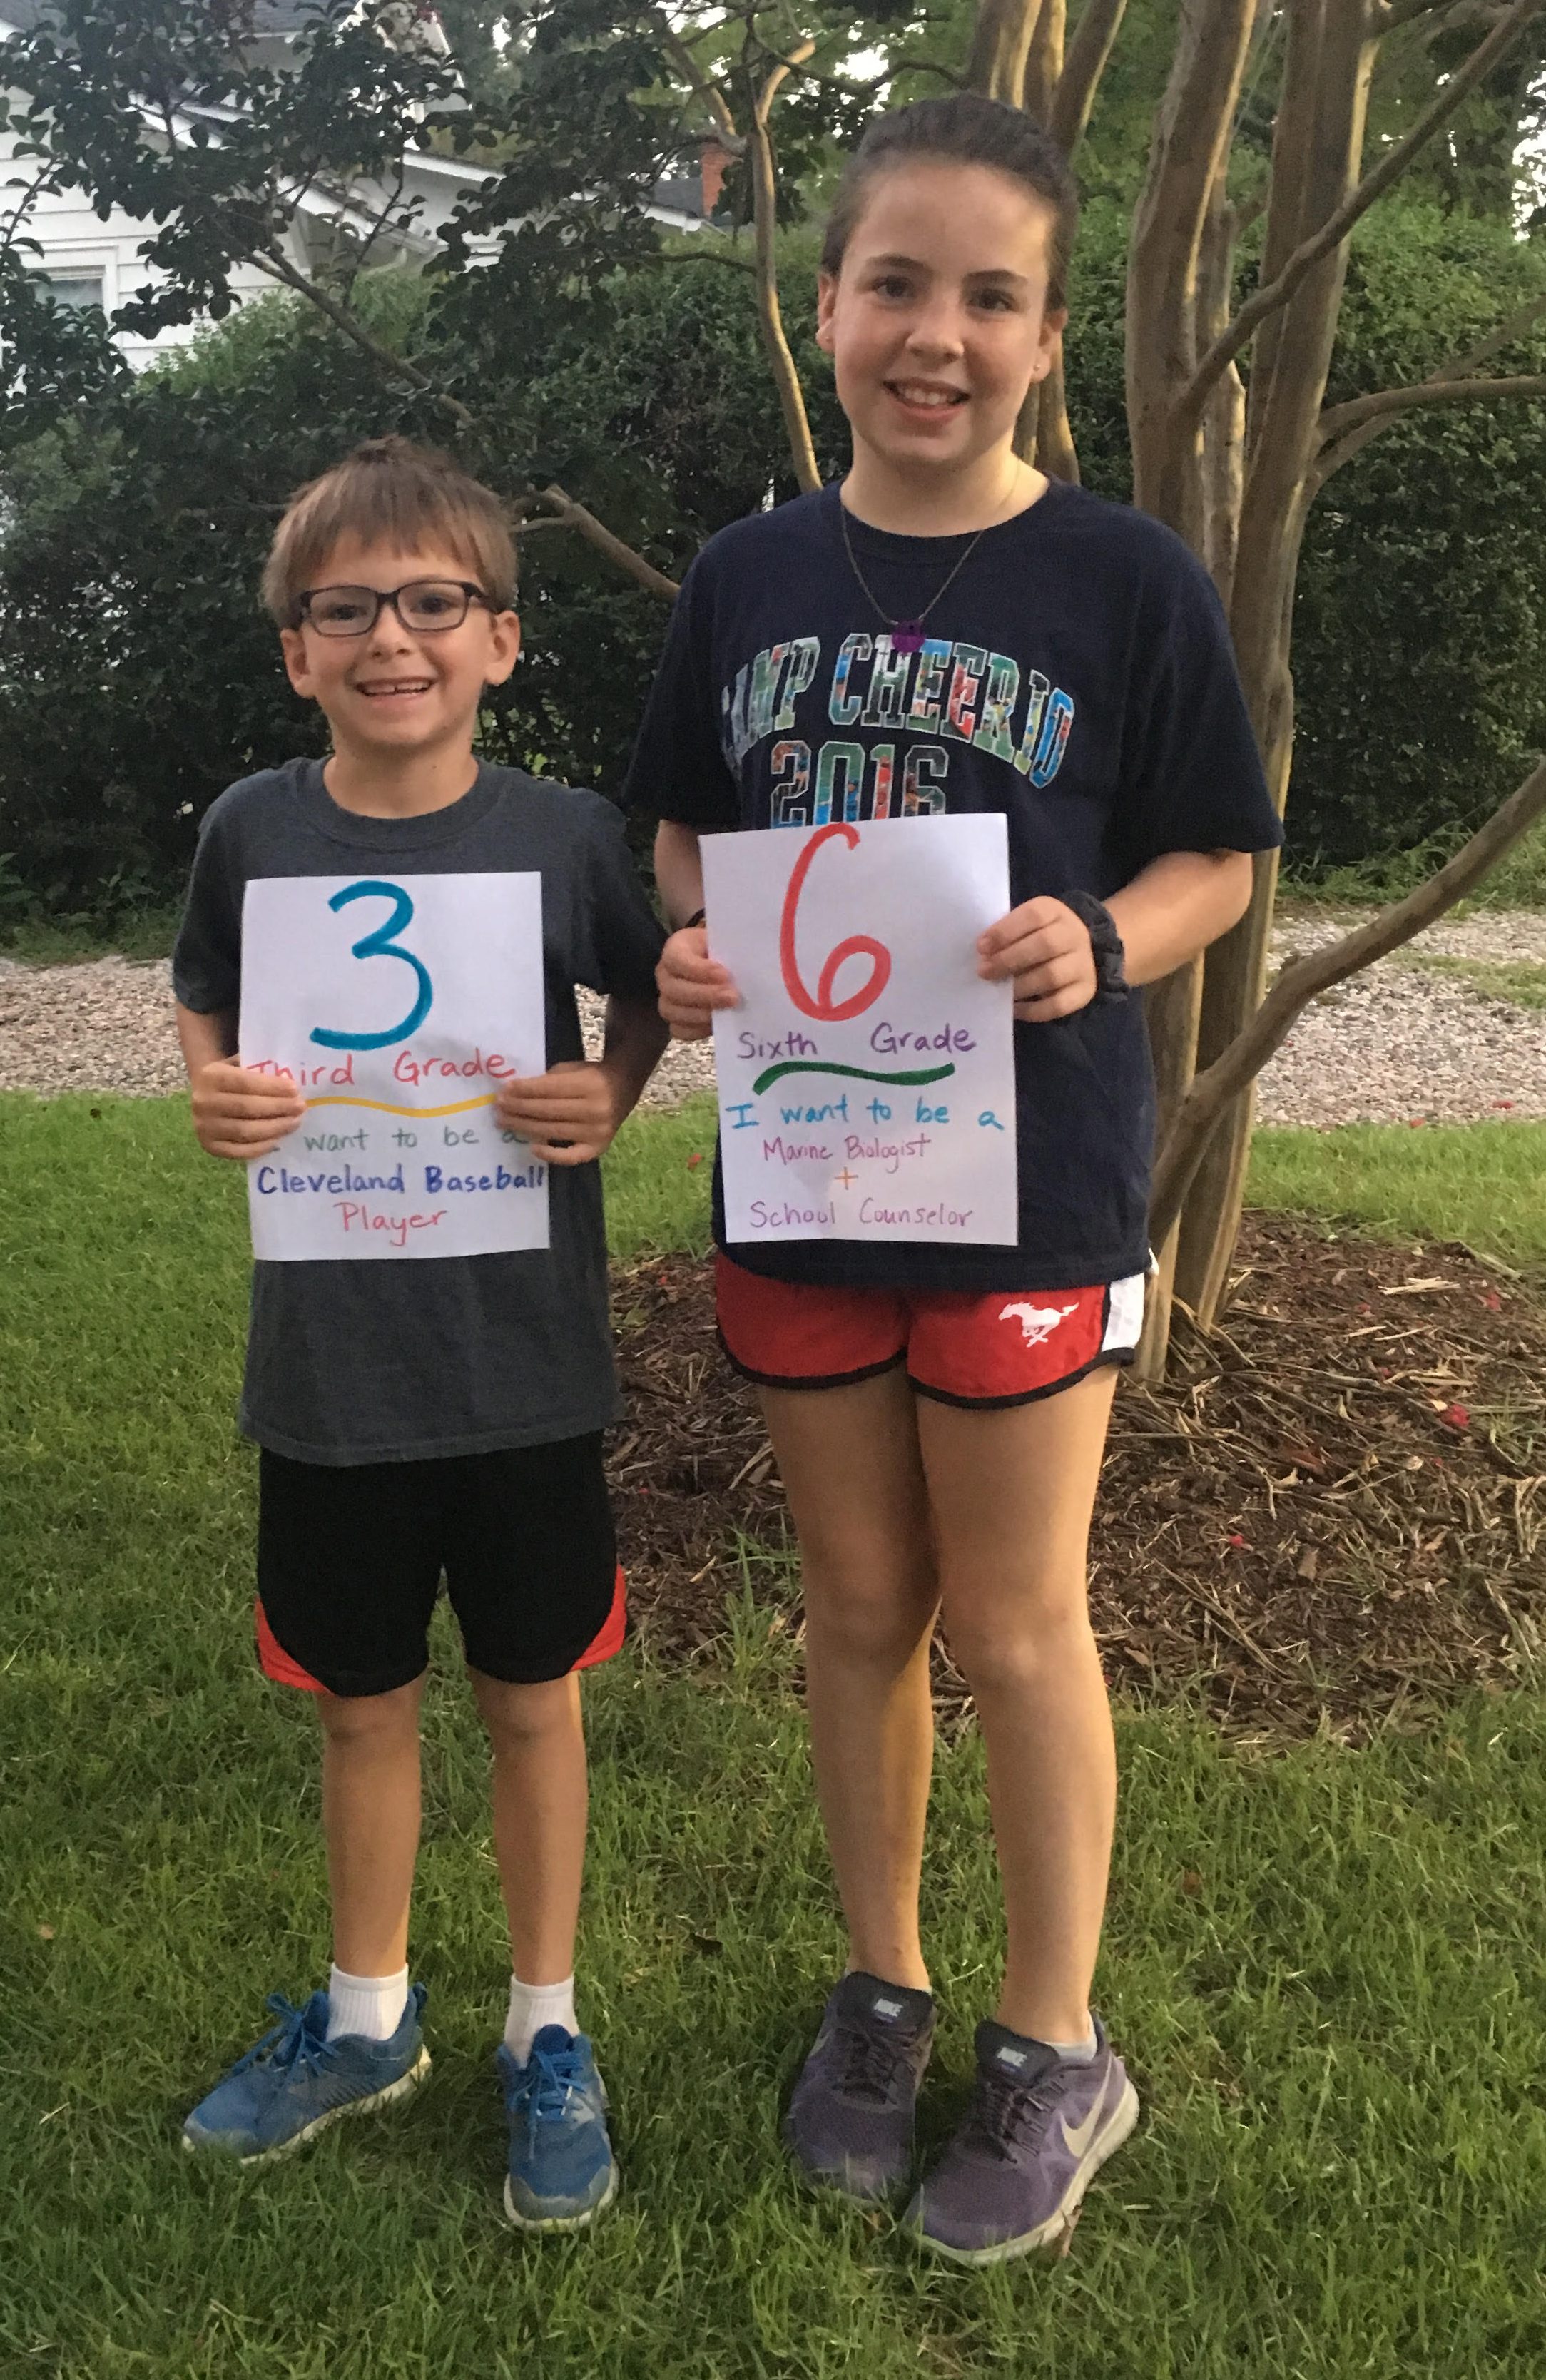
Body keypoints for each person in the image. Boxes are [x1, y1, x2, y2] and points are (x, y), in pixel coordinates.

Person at [624, 93, 1283, 2264]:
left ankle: (1053, 2042)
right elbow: (685, 830)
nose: (935, 332)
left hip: (1033, 1182)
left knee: (1012, 1624)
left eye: (986, 296)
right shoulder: (750, 575)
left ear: (1042, 335)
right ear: (828, 307)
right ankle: (887, 1987)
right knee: (857, 1610)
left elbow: (1216, 850)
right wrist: (695, 943)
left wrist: (1111, 937)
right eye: (895, 283)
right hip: (815, 1171)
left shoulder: (1120, 575)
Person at [173, 437, 667, 2229]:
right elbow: (208, 996)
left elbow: (639, 1015)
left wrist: (602, 1093)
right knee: (360, 1708)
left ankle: (548, 2025)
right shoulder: (253, 828)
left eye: (434, 602)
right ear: (298, 649)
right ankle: (370, 2012)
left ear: (503, 639)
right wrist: (217, 1098)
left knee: (533, 1702)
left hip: (521, 1358)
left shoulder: (561, 835)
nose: (395, 636)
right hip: (332, 1374)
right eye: (349, 609)